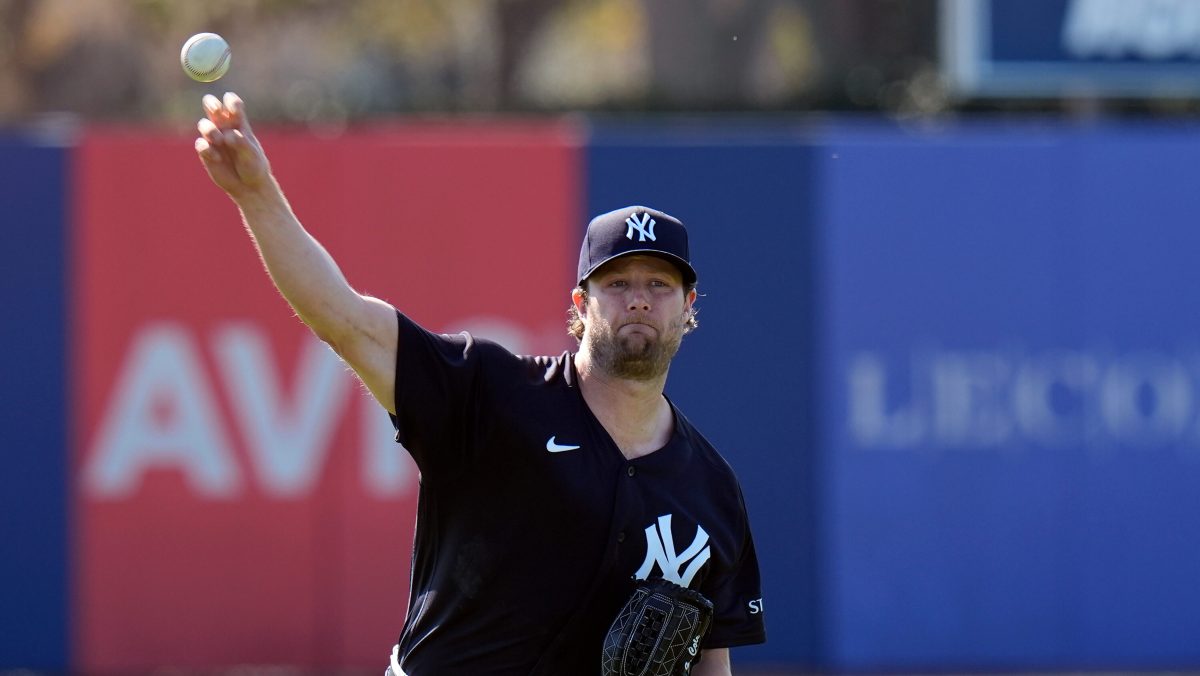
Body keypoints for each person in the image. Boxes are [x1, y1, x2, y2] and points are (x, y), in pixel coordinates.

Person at [194, 92, 766, 676]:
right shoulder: (492, 394)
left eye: (659, 284)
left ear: (689, 305)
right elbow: (346, 320)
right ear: (581, 303)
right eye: (616, 283)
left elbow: (709, 656)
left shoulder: (712, 491)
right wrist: (257, 195)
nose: (639, 298)